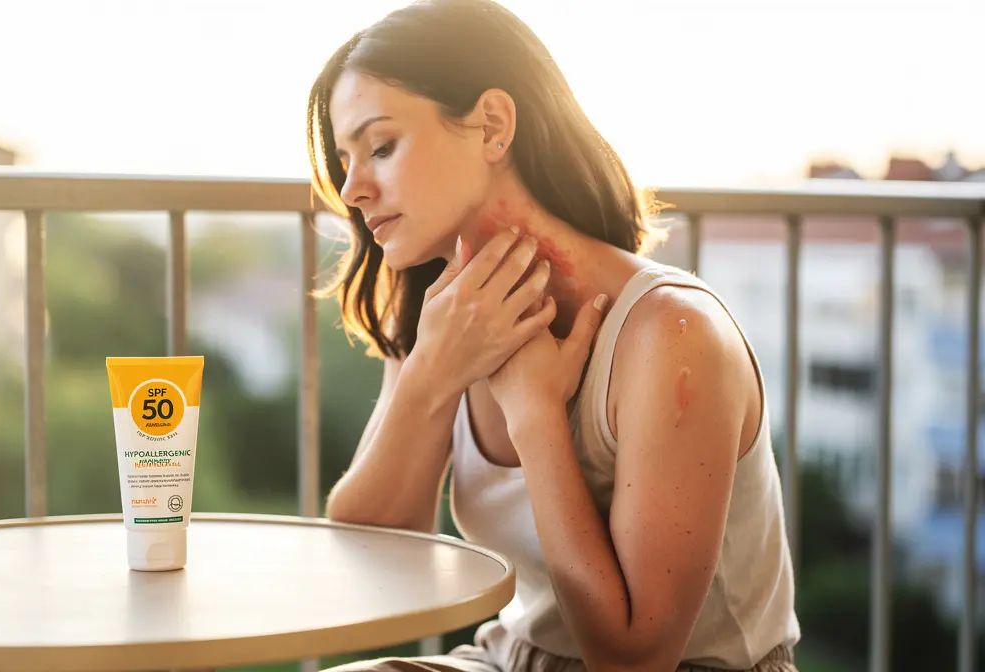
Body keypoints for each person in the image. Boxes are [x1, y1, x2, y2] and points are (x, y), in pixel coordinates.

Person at [305, 1, 801, 670]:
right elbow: (372, 554)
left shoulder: (673, 336)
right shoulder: (441, 306)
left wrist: (535, 413)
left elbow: (633, 659)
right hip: (510, 658)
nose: (352, 188)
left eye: (382, 146)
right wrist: (432, 370)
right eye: (344, 159)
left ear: (492, 125)